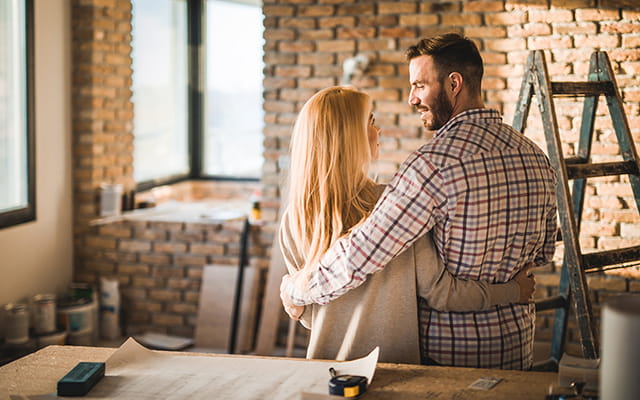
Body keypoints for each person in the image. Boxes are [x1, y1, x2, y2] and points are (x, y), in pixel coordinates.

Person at [281, 34, 557, 370]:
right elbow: (544, 252)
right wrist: (511, 288)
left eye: (420, 85)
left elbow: (359, 256)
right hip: (515, 347)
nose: (412, 99)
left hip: (449, 358)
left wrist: (296, 289)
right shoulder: (535, 156)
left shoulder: (432, 165)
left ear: (454, 83)